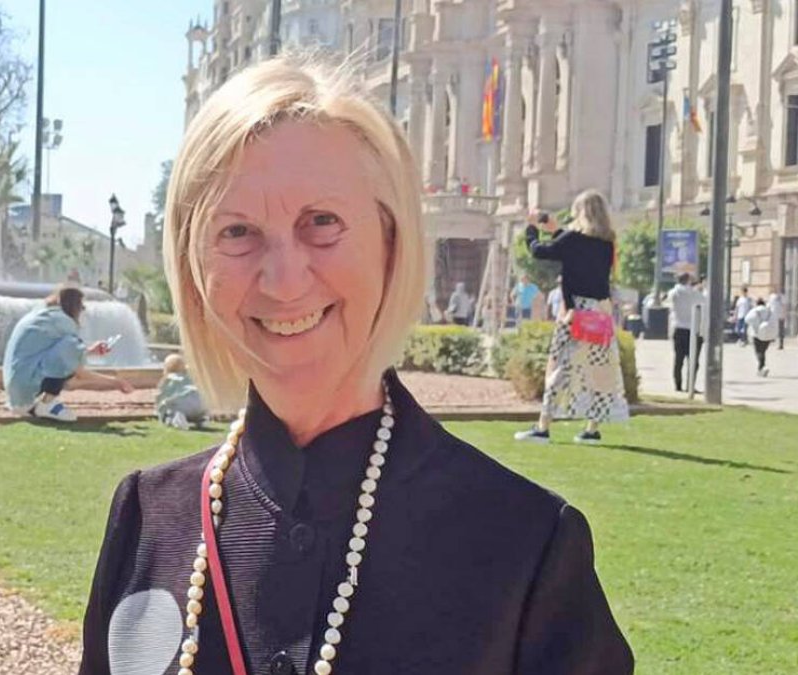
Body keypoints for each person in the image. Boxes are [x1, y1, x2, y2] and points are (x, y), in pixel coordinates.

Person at [80, 59, 632, 675]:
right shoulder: (147, 518)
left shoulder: (525, 545)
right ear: (192, 265)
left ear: (391, 244)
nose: (284, 279)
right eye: (237, 231)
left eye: (322, 223)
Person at [515, 192, 629, 444]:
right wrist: (557, 231)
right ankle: (592, 428)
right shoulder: (607, 243)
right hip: (600, 312)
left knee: (560, 367)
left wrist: (532, 228)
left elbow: (540, 251)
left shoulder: (574, 239)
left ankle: (543, 426)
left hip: (575, 313)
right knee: (600, 370)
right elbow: (579, 256)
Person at [2, 286, 133, 423]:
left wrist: (89, 351)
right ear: (74, 306)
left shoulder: (44, 315)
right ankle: (46, 405)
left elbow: (54, 353)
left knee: (70, 350)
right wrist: (115, 382)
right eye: (81, 306)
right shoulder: (64, 323)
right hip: (25, 396)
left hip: (17, 393)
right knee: (70, 346)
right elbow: (77, 371)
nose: (83, 309)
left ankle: (44, 404)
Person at [665, 273, 705, 392]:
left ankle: (678, 385)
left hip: (678, 327)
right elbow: (704, 302)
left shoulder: (673, 293)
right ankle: (690, 385)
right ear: (688, 280)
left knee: (678, 359)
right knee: (693, 360)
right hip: (692, 329)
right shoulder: (694, 293)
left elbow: (667, 304)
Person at [155, 354, 208, 430]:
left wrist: (160, 413)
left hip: (182, 406)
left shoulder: (168, 379)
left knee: (170, 408)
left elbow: (161, 396)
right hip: (199, 404)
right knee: (198, 407)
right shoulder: (189, 377)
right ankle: (201, 419)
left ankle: (177, 418)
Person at [745, 298, 780, 377]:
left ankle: (762, 367)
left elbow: (747, 319)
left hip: (756, 334)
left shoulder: (755, 311)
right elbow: (775, 321)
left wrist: (755, 324)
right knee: (763, 351)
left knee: (758, 352)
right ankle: (761, 368)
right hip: (767, 335)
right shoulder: (769, 311)